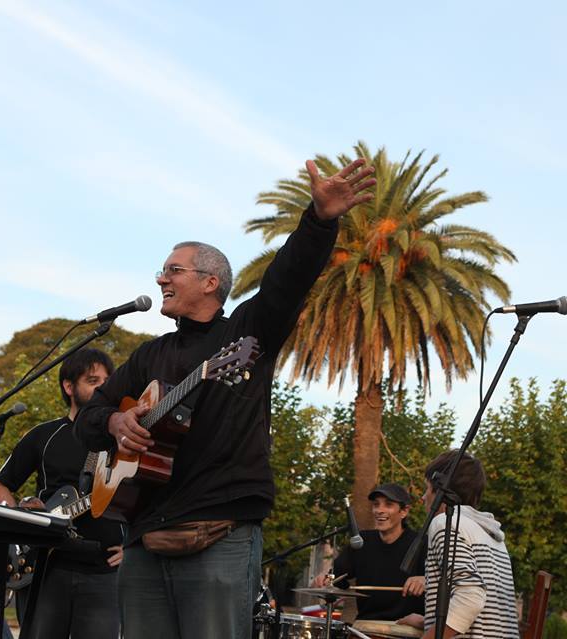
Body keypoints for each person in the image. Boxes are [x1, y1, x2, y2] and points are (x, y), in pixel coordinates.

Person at [73, 158, 376, 639]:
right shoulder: (150, 355)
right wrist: (114, 423)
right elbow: (88, 418)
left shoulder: (246, 333)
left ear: (210, 282)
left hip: (219, 530)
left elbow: (287, 279)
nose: (160, 280)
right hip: (145, 535)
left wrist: (319, 221)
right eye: (161, 270)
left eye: (173, 270)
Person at [0, 347, 124, 639]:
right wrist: (18, 517)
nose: (103, 386)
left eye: (106, 380)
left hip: (104, 573)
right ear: (69, 386)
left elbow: (148, 496)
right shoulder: (43, 435)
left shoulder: (121, 439)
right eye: (92, 380)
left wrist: (135, 546)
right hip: (47, 569)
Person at [398, 450, 520, 639]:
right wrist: (427, 621)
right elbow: (484, 609)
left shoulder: (445, 524)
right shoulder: (490, 533)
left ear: (440, 490)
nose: (423, 497)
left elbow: (470, 598)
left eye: (427, 488)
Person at [312, 483, 426, 621]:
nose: (379, 510)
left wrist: (426, 580)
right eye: (376, 504)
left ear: (404, 511)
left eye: (388, 505)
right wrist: (325, 579)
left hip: (407, 630)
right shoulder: (361, 541)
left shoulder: (421, 543)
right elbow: (336, 579)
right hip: (365, 627)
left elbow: (444, 584)